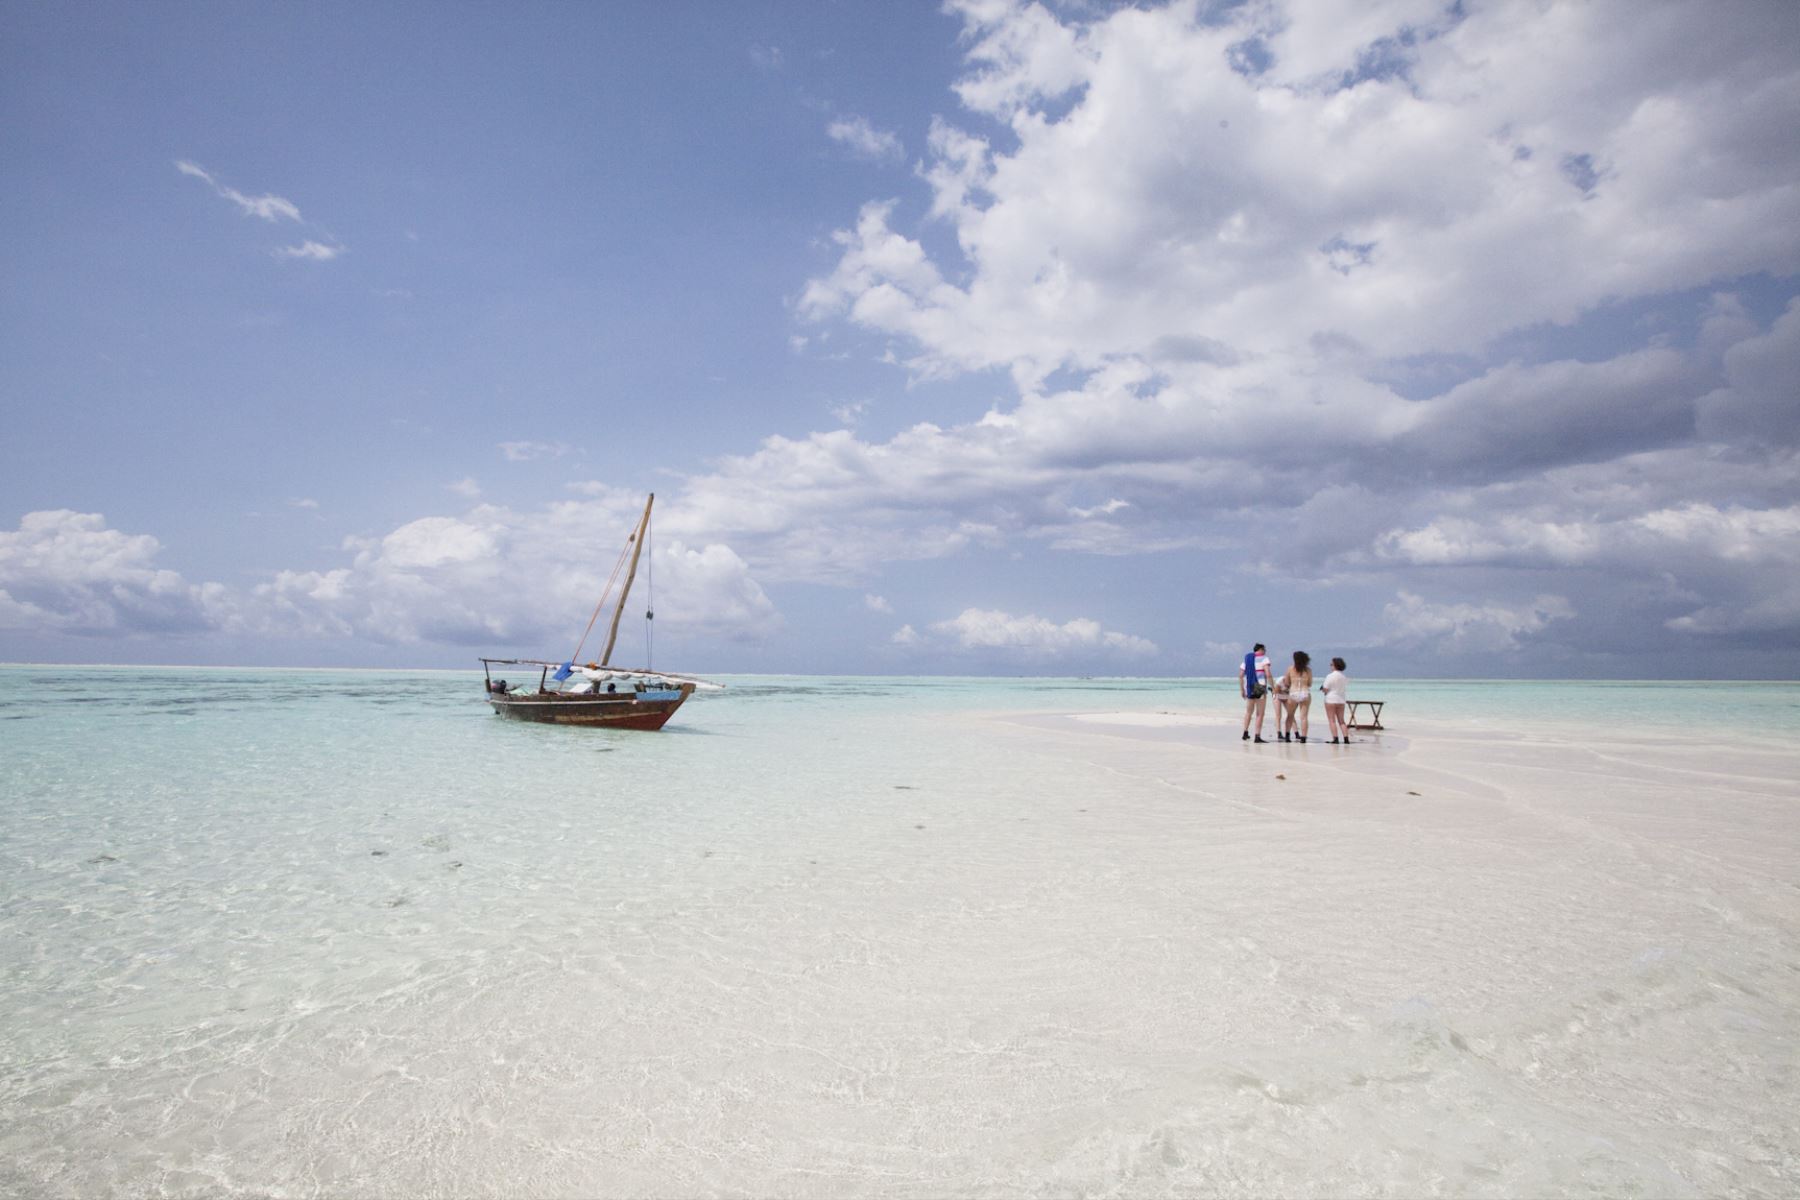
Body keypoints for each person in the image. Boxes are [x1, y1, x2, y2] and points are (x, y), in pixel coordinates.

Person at [1239, 642, 1273, 743]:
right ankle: (1257, 736)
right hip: (1259, 685)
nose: (1265, 652)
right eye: (1265, 650)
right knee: (1260, 713)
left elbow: (1241, 675)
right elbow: (1267, 673)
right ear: (1261, 649)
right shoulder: (1264, 658)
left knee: (1249, 712)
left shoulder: (1247, 659)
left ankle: (1245, 732)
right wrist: (1273, 686)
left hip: (1249, 686)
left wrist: (1242, 689)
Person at [1281, 651, 1313, 742]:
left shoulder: (1290, 669)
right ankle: (1303, 738)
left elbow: (1287, 682)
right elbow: (1310, 683)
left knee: (1290, 715)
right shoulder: (1308, 670)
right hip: (1305, 693)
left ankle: (1287, 736)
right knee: (1304, 717)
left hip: (1293, 693)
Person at [1321, 657, 1350, 743]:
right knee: (1341, 720)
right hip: (1341, 699)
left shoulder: (1330, 676)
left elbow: (1325, 688)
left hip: (1330, 699)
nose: (1330, 666)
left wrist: (1323, 690)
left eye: (1331, 664)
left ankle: (1335, 738)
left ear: (1335, 665)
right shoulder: (1344, 677)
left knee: (1332, 720)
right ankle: (1346, 739)